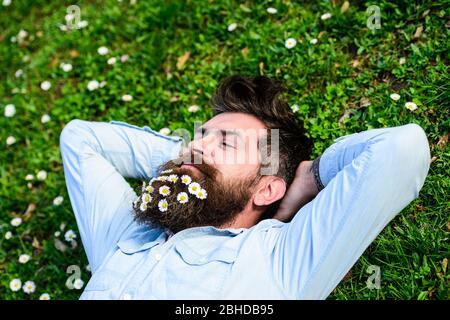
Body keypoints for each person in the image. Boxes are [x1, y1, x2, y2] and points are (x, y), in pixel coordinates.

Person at [60, 75, 430, 299]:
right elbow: (81, 139)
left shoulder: (279, 260)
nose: (197, 144)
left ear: (267, 190)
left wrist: (311, 176)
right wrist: (190, 160)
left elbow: (400, 149)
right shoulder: (128, 233)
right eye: (198, 136)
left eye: (226, 143)